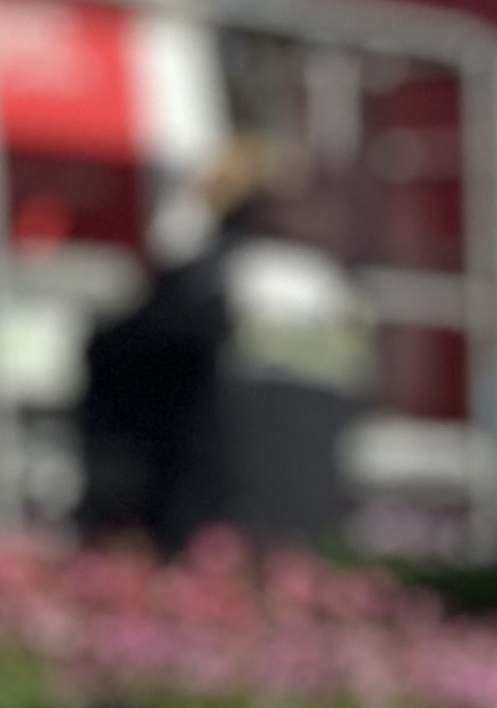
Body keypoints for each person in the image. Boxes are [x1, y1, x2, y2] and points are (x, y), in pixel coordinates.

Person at [76, 142, 374, 551]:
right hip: (313, 518)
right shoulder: (340, 291)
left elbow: (116, 354)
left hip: (209, 518)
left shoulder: (215, 278)